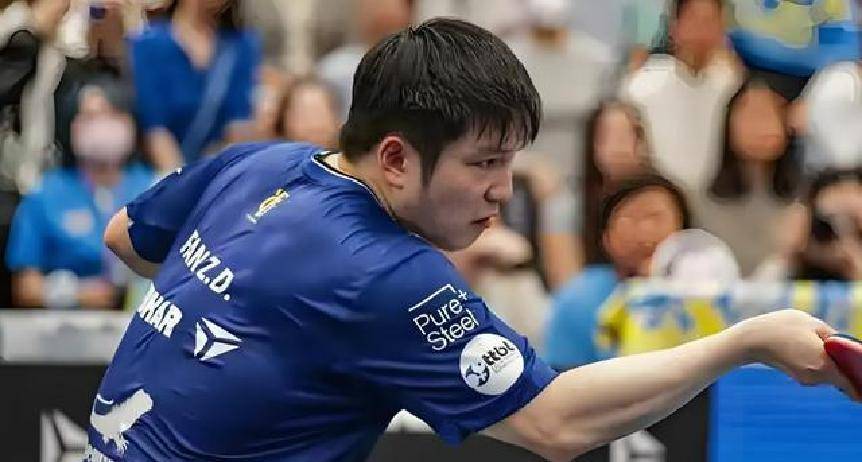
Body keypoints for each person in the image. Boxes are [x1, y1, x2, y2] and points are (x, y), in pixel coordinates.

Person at [89, 18, 857, 462]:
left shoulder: (258, 163)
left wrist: (243, 319)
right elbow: (557, 424)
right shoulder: (388, 274)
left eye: (511, 163)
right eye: (483, 163)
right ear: (396, 158)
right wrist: (746, 342)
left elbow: (127, 235)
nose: (501, 189)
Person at [5, 77, 154, 310]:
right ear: (71, 126)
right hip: (69, 325)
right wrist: (74, 293)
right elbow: (25, 286)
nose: (102, 127)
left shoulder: (156, 187)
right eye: (91, 117)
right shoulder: (46, 194)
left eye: (113, 114)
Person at [546, 175, 691, 370]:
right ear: (606, 237)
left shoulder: (706, 293)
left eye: (656, 217)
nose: (645, 233)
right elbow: (562, 377)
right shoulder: (579, 298)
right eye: (630, 219)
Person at [128, 0, 261, 171]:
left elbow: (239, 122)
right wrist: (180, 178)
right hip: (161, 172)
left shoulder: (239, 46)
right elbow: (154, 127)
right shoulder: (148, 44)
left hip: (218, 169)